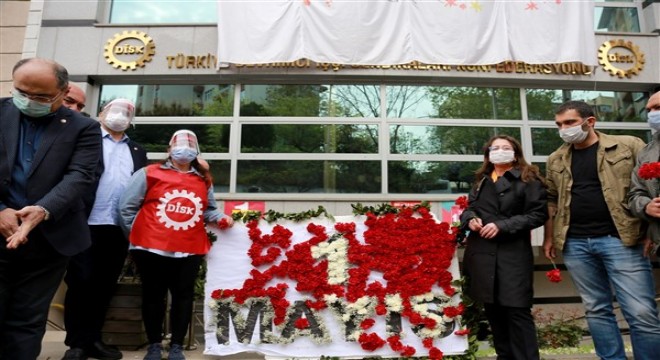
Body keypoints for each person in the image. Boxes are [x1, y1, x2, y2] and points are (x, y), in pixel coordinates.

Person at [0, 58, 102, 359]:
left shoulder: (84, 128)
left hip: (49, 240)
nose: (30, 101)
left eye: (42, 97)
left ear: (62, 92)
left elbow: (80, 175)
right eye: (22, 92)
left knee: (27, 320)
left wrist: (43, 210)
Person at [543, 100, 660, 360]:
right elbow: (551, 199)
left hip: (621, 240)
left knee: (640, 311)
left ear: (590, 121)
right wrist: (549, 236)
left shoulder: (628, 145)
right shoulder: (556, 159)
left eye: (570, 122)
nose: (564, 129)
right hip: (575, 244)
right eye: (559, 124)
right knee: (596, 309)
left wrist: (649, 231)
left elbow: (648, 187)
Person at [118, 130, 233, 360]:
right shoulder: (148, 173)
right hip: (151, 249)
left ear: (196, 152)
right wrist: (138, 236)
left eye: (190, 146)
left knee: (184, 296)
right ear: (169, 150)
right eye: (179, 145)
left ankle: (177, 346)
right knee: (153, 295)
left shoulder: (202, 180)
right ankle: (153, 345)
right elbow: (126, 208)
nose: (184, 150)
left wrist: (221, 217)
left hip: (188, 248)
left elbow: (208, 209)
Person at [62, 99, 148, 360]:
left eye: (127, 113)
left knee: (104, 284)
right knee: (80, 282)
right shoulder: (86, 139)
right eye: (115, 110)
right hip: (85, 222)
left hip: (116, 227)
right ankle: (76, 344)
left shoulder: (137, 149)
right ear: (101, 114)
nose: (121, 116)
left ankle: (94, 339)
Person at [459, 135, 547, 360]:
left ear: (515, 153)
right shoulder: (481, 179)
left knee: (516, 311)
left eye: (505, 148)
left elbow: (538, 214)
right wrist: (471, 219)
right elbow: (469, 208)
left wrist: (503, 225)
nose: (499, 151)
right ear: (487, 154)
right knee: (494, 311)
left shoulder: (529, 179)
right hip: (482, 254)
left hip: (512, 254)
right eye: (494, 148)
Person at [630, 91, 660, 257]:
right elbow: (635, 194)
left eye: (658, 107)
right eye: (649, 110)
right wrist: (646, 206)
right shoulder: (646, 153)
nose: (652, 114)